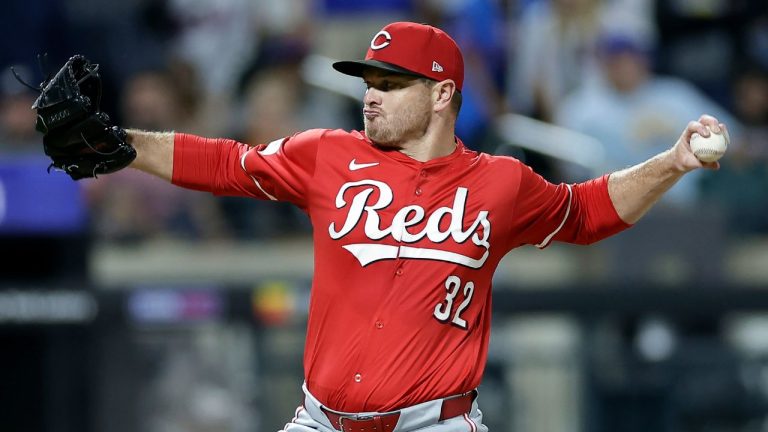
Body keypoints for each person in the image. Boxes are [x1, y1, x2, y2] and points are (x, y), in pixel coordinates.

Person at [105, 21, 727, 432]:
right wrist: (120, 142)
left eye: (391, 83)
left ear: (441, 95)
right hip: (321, 420)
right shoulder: (328, 154)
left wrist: (671, 162)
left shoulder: (501, 183)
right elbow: (225, 163)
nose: (371, 95)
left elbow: (587, 210)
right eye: (369, 82)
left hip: (435, 422)